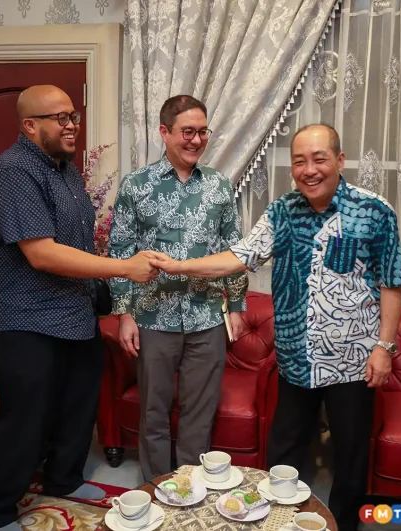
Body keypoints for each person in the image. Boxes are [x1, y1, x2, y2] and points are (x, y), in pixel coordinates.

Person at [150, 124, 401, 529]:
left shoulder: (374, 211)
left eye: (319, 159)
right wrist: (180, 266)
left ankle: (343, 524)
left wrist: (384, 347)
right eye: (299, 161)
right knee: (284, 452)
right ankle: (277, 522)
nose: (309, 170)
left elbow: (392, 284)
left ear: (340, 160)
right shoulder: (282, 211)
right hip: (295, 357)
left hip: (354, 360)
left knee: (351, 454)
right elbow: (239, 256)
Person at [0, 85, 161, 531]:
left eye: (73, 116)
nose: (71, 125)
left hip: (73, 312)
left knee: (78, 407)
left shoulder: (66, 170)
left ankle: (64, 480)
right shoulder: (13, 170)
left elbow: (77, 245)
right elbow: (42, 253)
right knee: (25, 418)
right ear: (29, 125)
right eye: (60, 118)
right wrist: (124, 268)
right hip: (25, 316)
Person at [107, 95, 249, 481]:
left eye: (203, 132)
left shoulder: (219, 185)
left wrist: (237, 306)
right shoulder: (136, 185)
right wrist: (124, 314)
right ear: (164, 132)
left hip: (207, 317)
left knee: (199, 414)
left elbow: (234, 250)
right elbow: (119, 251)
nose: (196, 140)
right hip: (152, 317)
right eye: (188, 132)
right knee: (153, 412)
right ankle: (156, 489)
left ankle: (190, 489)